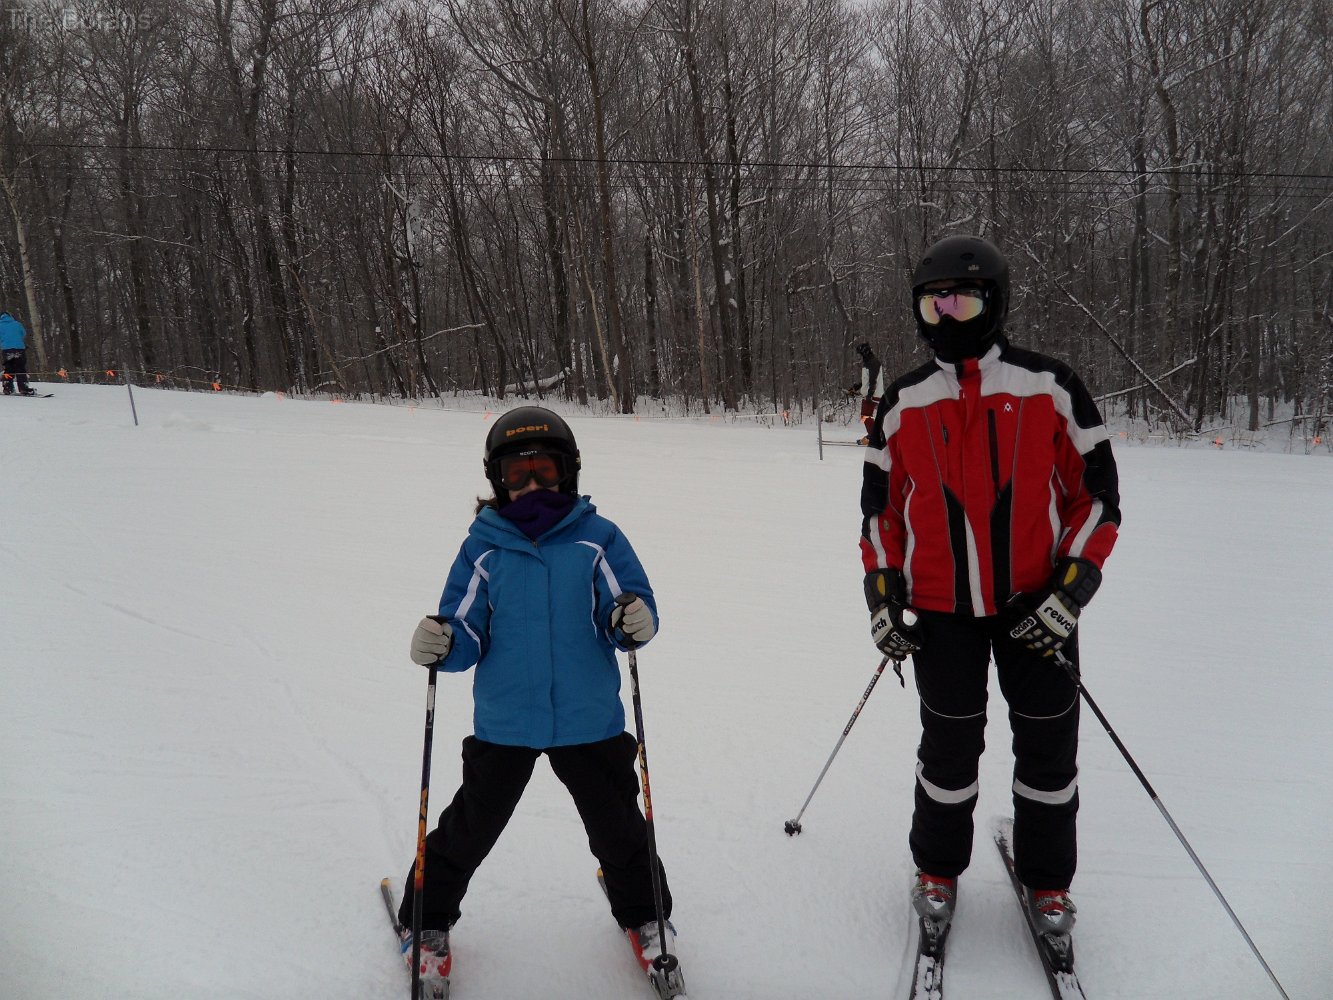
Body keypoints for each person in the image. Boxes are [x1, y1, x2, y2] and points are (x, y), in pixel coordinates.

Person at [858, 235, 1120, 950]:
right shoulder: (903, 400)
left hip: (1036, 610)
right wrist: (882, 595)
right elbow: (880, 512)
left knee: (1047, 749)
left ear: (995, 304)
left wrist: (1072, 587)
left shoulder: (1049, 385)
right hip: (942, 614)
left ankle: (1048, 879)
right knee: (948, 748)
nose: (946, 317)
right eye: (932, 305)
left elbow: (1097, 497)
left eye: (962, 302)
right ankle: (937, 869)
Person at [396, 405, 673, 995]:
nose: (530, 485)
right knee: (470, 827)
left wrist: (632, 620)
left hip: (588, 719)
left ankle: (646, 916)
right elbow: (465, 626)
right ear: (497, 479)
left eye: (543, 470)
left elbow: (626, 603)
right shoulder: (483, 548)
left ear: (567, 471)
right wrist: (444, 642)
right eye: (516, 474)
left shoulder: (597, 538)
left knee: (619, 828)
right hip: (507, 722)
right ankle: (426, 919)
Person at [1, 311, 35, 396]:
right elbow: (23, 334)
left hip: (7, 349)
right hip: (19, 349)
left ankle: (7, 387)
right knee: (20, 368)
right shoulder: (17, 324)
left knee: (8, 369)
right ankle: (23, 387)